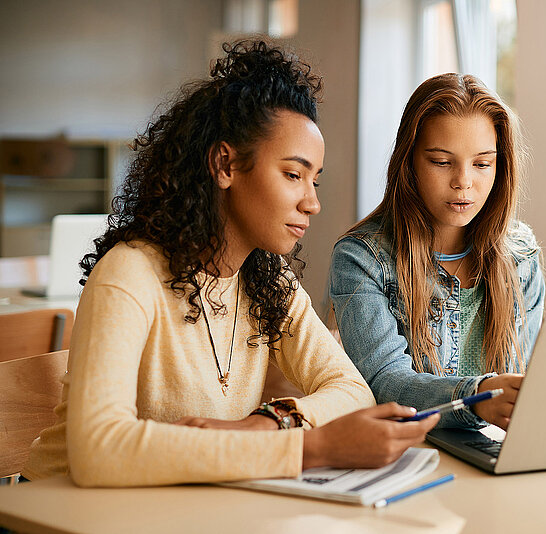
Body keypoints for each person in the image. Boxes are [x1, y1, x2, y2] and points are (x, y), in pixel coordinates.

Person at [21, 40, 438, 487]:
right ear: (225, 165)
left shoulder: (267, 281)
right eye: (294, 175)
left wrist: (266, 424)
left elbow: (353, 391)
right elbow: (98, 452)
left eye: (314, 179)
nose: (312, 202)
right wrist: (308, 448)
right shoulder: (129, 274)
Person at [328, 73, 545, 431]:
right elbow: (387, 384)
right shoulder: (360, 259)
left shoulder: (521, 255)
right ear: (409, 161)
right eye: (442, 162)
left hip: (490, 452)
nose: (463, 181)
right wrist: (478, 396)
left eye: (482, 163)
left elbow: (519, 384)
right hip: (407, 452)